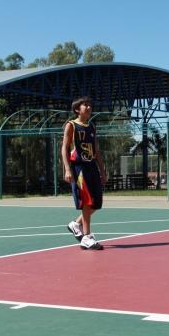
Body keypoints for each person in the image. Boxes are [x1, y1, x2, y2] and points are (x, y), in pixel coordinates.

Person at [61, 96, 108, 250]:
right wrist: (67, 169)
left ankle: (76, 224)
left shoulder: (91, 127)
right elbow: (64, 148)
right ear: (77, 109)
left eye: (89, 105)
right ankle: (87, 237)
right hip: (78, 167)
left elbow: (97, 151)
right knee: (86, 201)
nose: (88, 107)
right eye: (85, 105)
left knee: (96, 202)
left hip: (91, 166)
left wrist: (102, 170)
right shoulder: (71, 125)